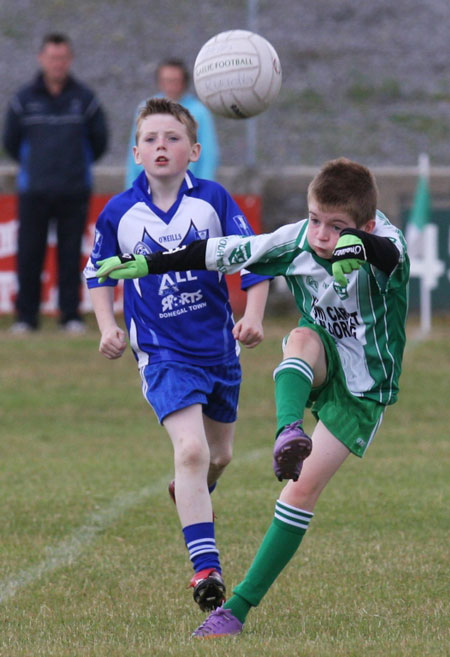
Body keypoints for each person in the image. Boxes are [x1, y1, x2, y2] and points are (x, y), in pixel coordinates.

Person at [94, 157, 410, 637]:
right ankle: (288, 430)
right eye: (315, 220)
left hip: (364, 386)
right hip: (322, 358)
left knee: (301, 491)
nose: (322, 235)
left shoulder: (385, 243)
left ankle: (235, 610)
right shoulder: (299, 240)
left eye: (336, 227)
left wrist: (358, 246)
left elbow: (388, 255)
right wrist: (150, 263)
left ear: (364, 224)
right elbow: (223, 251)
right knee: (301, 339)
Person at [84, 98, 270, 612]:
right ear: (136, 152)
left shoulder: (212, 200)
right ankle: (206, 570)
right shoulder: (120, 212)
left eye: (171, 138)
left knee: (219, 456)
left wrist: (252, 315)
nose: (160, 146)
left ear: (195, 150)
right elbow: (98, 273)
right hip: (162, 354)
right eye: (150, 139)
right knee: (190, 452)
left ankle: (188, 491)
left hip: (218, 350)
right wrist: (107, 325)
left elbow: (254, 259)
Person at [2, 32, 108, 334]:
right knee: (29, 254)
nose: (57, 63)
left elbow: (99, 143)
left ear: (69, 60)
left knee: (71, 254)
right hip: (34, 190)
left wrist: (74, 168)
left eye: (62, 58)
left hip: (74, 191)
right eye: (52, 58)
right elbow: (10, 142)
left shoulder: (85, 100)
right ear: (41, 59)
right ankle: (26, 318)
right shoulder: (23, 100)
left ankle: (70, 316)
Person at [125, 58, 219, 188]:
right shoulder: (145, 108)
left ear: (184, 82)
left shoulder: (199, 111)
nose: (170, 86)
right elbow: (134, 151)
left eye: (175, 81)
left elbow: (208, 154)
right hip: (152, 188)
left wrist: (204, 190)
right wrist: (132, 189)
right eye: (166, 81)